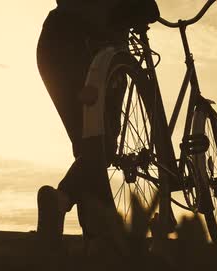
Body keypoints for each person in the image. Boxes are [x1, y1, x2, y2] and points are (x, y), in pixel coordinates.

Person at [35, 0, 160, 246]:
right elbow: (149, 11)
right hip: (91, 46)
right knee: (101, 144)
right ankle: (67, 203)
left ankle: (93, 233)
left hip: (52, 42)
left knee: (88, 145)